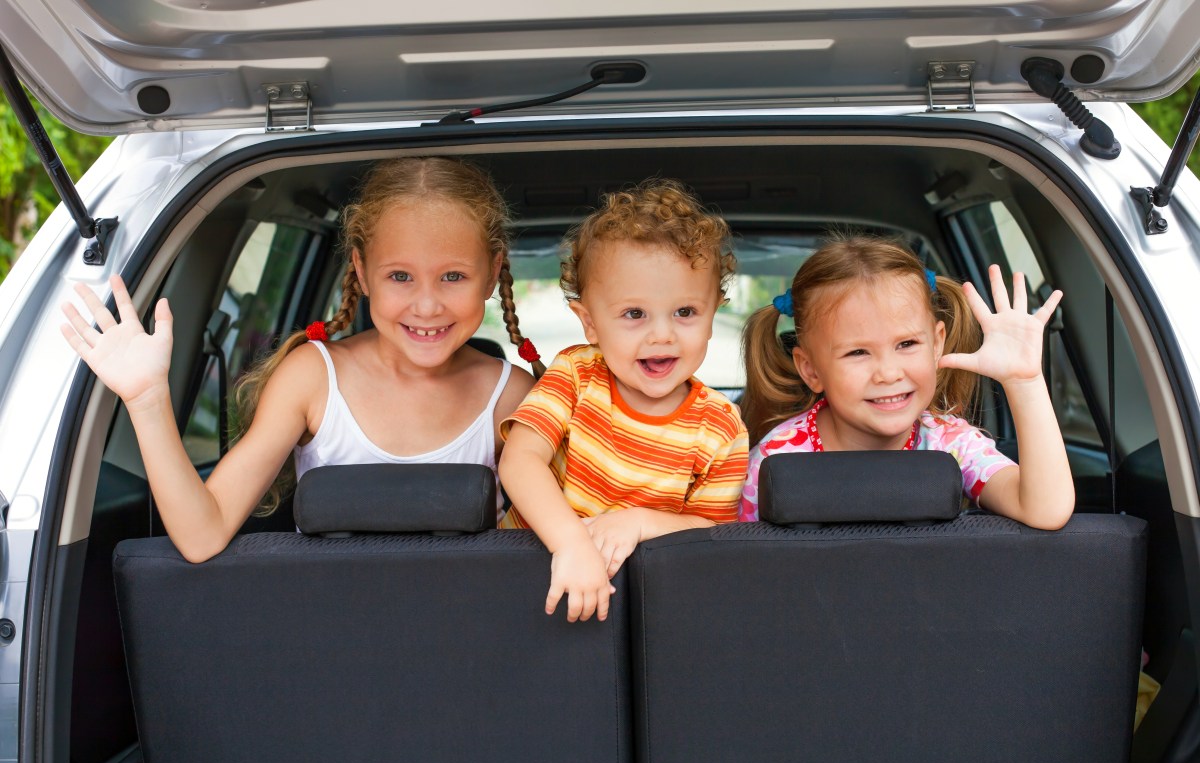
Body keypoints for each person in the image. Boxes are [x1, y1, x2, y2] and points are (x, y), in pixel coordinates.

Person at [60, 157, 539, 562]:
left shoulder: (510, 396)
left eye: (453, 276)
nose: (427, 305)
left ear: (492, 273)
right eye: (400, 276)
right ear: (362, 272)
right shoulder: (313, 378)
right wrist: (147, 399)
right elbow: (202, 535)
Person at [498, 179, 749, 623]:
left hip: (651, 611)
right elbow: (520, 462)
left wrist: (640, 522)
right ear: (590, 322)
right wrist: (572, 545)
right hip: (533, 589)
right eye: (634, 314)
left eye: (685, 312)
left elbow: (716, 533)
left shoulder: (721, 425)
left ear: (715, 312)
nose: (662, 334)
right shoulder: (576, 375)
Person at [739, 236, 1074, 530]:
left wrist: (1024, 382)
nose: (888, 372)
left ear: (937, 343)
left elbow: (1045, 510)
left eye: (907, 344)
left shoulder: (952, 444)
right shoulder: (775, 460)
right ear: (811, 370)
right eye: (857, 352)